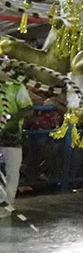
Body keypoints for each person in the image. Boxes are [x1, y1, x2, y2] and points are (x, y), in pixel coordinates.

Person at [0, 77, 33, 215]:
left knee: (12, 173)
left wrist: (10, 117)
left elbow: (29, 110)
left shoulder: (16, 87)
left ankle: (7, 206)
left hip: (11, 137)